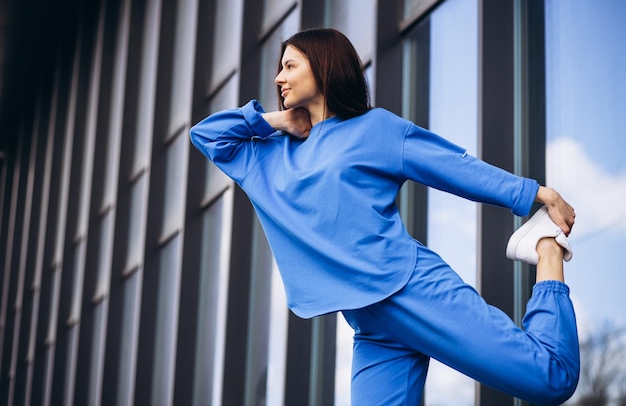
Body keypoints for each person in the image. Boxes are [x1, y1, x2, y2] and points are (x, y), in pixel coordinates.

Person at [190, 28, 579, 405]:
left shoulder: (374, 129)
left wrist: (536, 194)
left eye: (290, 66)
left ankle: (544, 247)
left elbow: (452, 168)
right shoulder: (266, 156)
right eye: (280, 68)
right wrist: (279, 121)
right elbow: (206, 135)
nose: (279, 78)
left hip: (408, 287)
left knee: (551, 378)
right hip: (369, 322)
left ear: (323, 65)